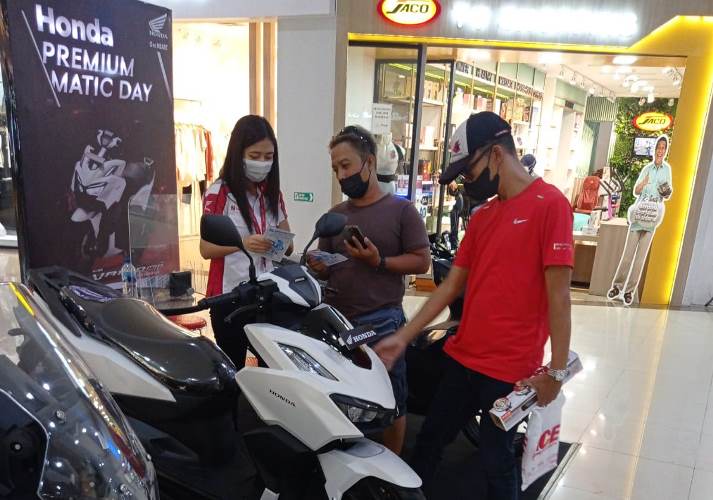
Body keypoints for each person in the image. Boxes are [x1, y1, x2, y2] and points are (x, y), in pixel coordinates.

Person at [374, 112, 574, 499]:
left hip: (509, 370)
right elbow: (451, 285)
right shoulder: (484, 216)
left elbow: (559, 297)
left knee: (496, 459)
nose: (467, 181)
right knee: (430, 439)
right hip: (464, 359)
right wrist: (403, 337)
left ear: (496, 154)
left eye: (469, 170)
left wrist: (556, 372)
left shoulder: (550, 205)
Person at [307, 125, 430, 455]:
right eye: (335, 168)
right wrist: (318, 266)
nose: (341, 175)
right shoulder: (335, 216)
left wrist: (379, 261)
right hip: (337, 323)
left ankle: (392, 466)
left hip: (383, 322)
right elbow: (325, 265)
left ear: (370, 163)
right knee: (342, 398)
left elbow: (422, 262)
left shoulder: (402, 211)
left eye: (346, 165)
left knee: (392, 400)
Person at [201, 115, 292, 369]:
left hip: (267, 293)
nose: (262, 163)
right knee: (235, 371)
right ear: (238, 153)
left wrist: (273, 244)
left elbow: (289, 246)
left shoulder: (272, 194)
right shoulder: (220, 192)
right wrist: (243, 243)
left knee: (272, 372)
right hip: (230, 296)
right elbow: (206, 249)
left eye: (268, 156)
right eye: (255, 155)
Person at [608, 135, 672, 306]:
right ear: (655, 149)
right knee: (627, 256)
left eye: (663, 148)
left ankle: (629, 291)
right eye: (658, 147)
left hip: (652, 218)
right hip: (639, 215)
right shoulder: (647, 169)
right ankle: (617, 286)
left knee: (640, 260)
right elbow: (636, 191)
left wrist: (665, 191)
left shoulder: (666, 170)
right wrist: (643, 183)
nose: (660, 150)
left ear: (665, 151)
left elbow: (667, 194)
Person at [447, 181, 464, 250]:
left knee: (454, 229)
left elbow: (459, 209)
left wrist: (454, 211)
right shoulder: (458, 196)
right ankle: (454, 243)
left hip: (455, 215)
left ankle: (454, 243)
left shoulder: (459, 196)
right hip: (455, 214)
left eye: (451, 189)